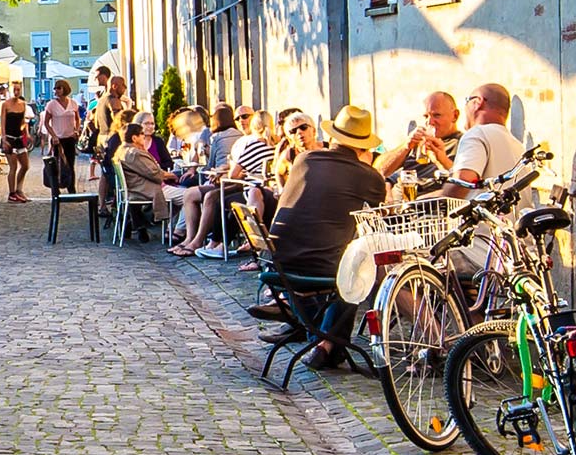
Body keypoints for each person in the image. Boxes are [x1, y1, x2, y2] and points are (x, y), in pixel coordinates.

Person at [266, 105, 387, 370]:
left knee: (346, 265)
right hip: (321, 267)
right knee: (359, 270)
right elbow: (377, 217)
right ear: (363, 147)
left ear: (333, 137)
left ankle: (323, 344)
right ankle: (326, 345)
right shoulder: (368, 176)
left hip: (279, 263)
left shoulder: (304, 159)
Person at [174, 110, 276, 258]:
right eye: (238, 118)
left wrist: (222, 170)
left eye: (245, 117)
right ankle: (200, 241)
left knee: (218, 200)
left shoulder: (251, 143)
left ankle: (211, 243)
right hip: (263, 189)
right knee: (208, 196)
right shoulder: (276, 144)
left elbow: (232, 173)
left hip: (250, 188)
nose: (241, 120)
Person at [439, 84, 524, 197]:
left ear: (478, 102)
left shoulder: (477, 134)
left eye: (467, 101)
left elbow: (462, 182)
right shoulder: (518, 146)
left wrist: (437, 204)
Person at [377, 91, 463, 178]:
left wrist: (442, 160)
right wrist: (405, 147)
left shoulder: (463, 144)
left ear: (455, 116)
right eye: (426, 116)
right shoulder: (418, 142)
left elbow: (464, 181)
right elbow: (378, 172)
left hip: (428, 190)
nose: (430, 122)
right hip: (401, 188)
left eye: (436, 115)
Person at [115, 121, 172, 225]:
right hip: (143, 190)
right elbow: (154, 174)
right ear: (134, 138)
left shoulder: (121, 150)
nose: (144, 136)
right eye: (142, 133)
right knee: (186, 196)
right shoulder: (135, 153)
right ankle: (175, 231)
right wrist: (172, 175)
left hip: (134, 189)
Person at [39, 79, 81, 192]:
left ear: (64, 89)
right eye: (55, 88)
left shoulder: (73, 103)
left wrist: (76, 131)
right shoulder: (51, 104)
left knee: (70, 163)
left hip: (70, 137)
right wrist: (53, 135)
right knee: (56, 163)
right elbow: (46, 122)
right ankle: (55, 188)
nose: (56, 90)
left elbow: (77, 119)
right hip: (58, 138)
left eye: (59, 88)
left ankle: (71, 187)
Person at [0, 82, 32, 203]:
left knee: (25, 165)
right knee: (13, 166)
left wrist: (26, 133)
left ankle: (19, 189)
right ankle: (12, 193)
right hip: (9, 138)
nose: (16, 92)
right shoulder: (5, 104)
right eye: (14, 90)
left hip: (19, 138)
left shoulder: (23, 104)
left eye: (18, 90)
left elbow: (23, 121)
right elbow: (2, 122)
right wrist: (4, 139)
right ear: (10, 91)